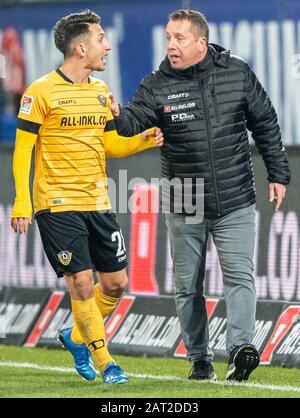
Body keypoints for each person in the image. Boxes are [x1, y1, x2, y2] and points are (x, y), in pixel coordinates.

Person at [110, 9, 291, 381]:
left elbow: (266, 122)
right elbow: (132, 122)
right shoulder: (156, 84)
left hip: (235, 196)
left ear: (201, 43)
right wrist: (115, 114)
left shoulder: (237, 72)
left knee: (240, 277)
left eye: (179, 38)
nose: (172, 45)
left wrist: (278, 173)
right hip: (185, 200)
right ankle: (199, 359)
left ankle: (241, 349)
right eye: (168, 38)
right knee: (187, 286)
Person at [10, 10, 163, 385]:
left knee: (115, 284)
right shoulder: (40, 92)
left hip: (98, 202)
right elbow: (22, 150)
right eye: (100, 39)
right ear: (81, 48)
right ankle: (107, 362)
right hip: (57, 205)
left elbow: (108, 144)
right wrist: (22, 202)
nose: (106, 45)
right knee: (80, 282)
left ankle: (76, 338)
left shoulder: (100, 92)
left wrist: (142, 139)